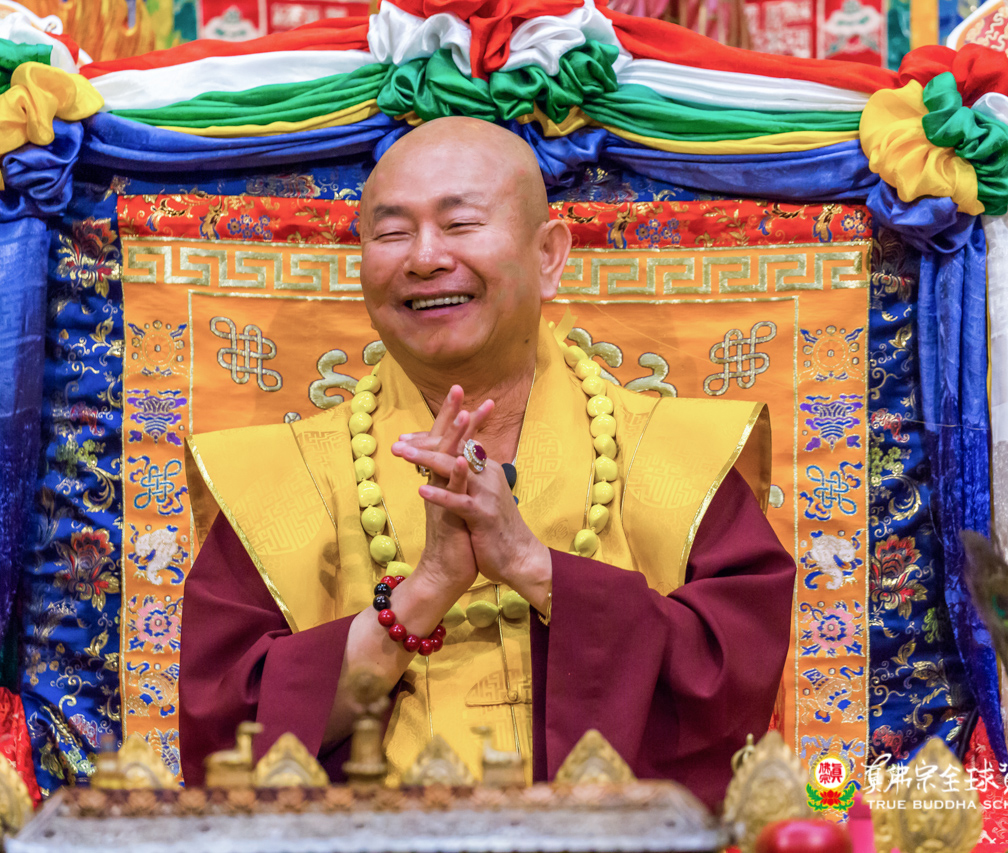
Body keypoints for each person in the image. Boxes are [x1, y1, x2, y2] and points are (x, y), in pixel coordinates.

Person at [178, 116, 796, 806]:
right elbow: (229, 743)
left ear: (550, 256)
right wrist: (423, 592)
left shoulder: (683, 456)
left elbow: (730, 686)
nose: (424, 258)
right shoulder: (274, 480)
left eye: (460, 224)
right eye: (391, 232)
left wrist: (530, 564)